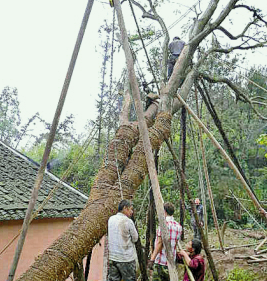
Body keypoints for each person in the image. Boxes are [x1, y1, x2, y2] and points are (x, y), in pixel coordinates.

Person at [147, 202, 182, 281]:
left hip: (161, 262)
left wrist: (152, 259)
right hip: (171, 262)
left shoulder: (163, 225)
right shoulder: (178, 226)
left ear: (164, 211)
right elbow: (175, 244)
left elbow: (160, 243)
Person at [108, 199, 138, 281]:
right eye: (131, 209)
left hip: (112, 257)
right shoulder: (128, 221)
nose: (132, 212)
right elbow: (135, 239)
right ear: (125, 208)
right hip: (126, 258)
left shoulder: (111, 219)